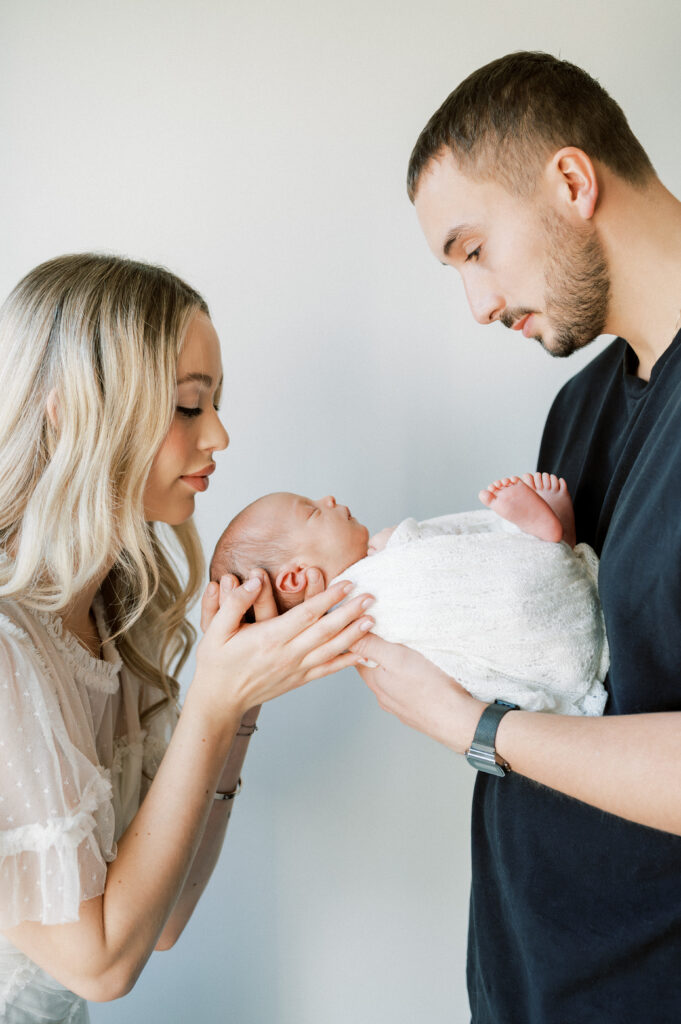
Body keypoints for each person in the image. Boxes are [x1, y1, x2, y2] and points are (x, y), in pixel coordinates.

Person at [350, 51, 681, 1023]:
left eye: (472, 249)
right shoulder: (580, 408)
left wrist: (469, 726)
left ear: (572, 182)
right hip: (529, 982)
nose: (479, 304)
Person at [0, 253, 374, 1022]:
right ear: (72, 409)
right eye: (186, 406)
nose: (221, 436)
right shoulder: (8, 642)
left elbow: (159, 923)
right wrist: (212, 701)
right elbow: (100, 966)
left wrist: (239, 703)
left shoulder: (113, 616)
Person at [211, 474, 608, 715]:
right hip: (526, 623)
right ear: (296, 578)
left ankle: (543, 543)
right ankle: (544, 542)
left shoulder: (378, 569)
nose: (328, 500)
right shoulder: (365, 610)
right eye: (312, 511)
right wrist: (401, 543)